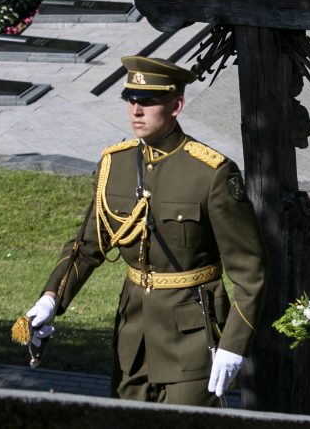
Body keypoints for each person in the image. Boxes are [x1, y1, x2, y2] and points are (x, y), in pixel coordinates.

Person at [23, 56, 267, 406]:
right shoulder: (115, 165)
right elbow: (87, 245)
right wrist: (51, 298)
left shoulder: (211, 173)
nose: (136, 110)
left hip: (191, 336)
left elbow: (251, 271)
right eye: (131, 99)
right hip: (132, 334)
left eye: (148, 101)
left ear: (176, 105)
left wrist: (234, 344)